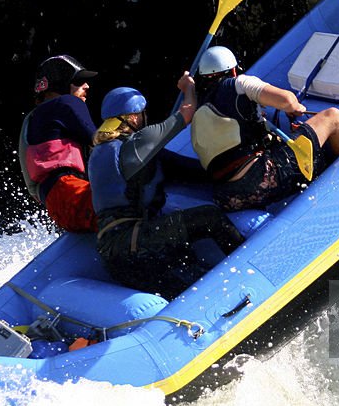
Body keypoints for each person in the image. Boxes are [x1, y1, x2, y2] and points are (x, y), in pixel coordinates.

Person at [88, 77, 245, 298]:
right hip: (136, 242)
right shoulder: (137, 144)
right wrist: (188, 87)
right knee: (210, 217)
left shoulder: (97, 153)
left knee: (184, 274)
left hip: (113, 254)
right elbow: (187, 113)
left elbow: (179, 168)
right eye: (143, 113)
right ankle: (250, 264)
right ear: (134, 116)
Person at [190, 45, 339, 211]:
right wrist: (295, 107)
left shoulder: (199, 109)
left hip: (228, 197)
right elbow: (287, 101)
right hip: (263, 179)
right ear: (233, 71)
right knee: (333, 116)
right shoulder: (239, 83)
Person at [18, 54, 99, 232]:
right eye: (78, 81)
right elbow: (104, 142)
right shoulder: (65, 102)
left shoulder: (35, 119)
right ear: (60, 84)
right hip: (70, 192)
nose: (86, 86)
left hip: (58, 205)